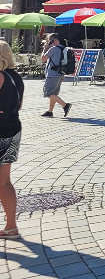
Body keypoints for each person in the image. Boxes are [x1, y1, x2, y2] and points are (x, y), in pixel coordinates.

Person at [0, 40, 24, 239]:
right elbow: (19, 105)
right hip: (13, 129)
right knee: (4, 181)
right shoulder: (17, 77)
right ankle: (11, 226)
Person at [40, 34, 71, 118]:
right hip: (60, 74)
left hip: (52, 74)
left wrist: (45, 48)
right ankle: (50, 111)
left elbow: (43, 59)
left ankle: (65, 105)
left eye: (49, 40)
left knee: (48, 93)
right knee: (54, 94)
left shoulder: (53, 49)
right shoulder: (64, 48)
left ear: (53, 40)